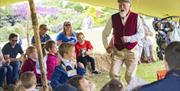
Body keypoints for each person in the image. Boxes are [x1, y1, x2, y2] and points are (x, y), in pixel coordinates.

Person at [102, 0, 144, 84]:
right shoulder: (113, 17)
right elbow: (105, 33)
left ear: (129, 5)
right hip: (118, 51)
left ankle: (134, 89)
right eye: (120, 5)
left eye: (124, 5)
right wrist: (106, 46)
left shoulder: (136, 17)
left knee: (129, 76)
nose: (121, 7)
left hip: (132, 51)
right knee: (113, 74)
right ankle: (120, 89)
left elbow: (141, 34)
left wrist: (129, 39)